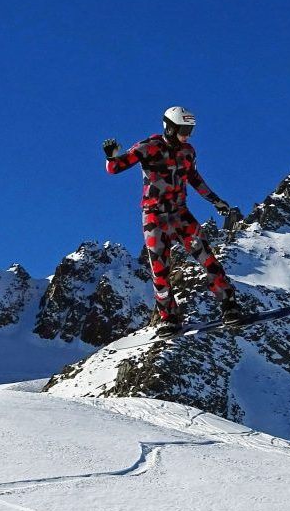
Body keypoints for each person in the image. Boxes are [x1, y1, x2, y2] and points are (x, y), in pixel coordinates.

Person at [103, 106, 243, 337]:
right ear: (169, 127)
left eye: (190, 130)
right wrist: (110, 156)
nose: (187, 135)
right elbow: (116, 168)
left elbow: (194, 178)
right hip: (154, 217)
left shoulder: (188, 152)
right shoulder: (148, 146)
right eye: (183, 129)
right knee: (160, 270)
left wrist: (215, 201)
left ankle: (229, 306)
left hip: (180, 213)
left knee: (207, 259)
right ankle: (169, 319)